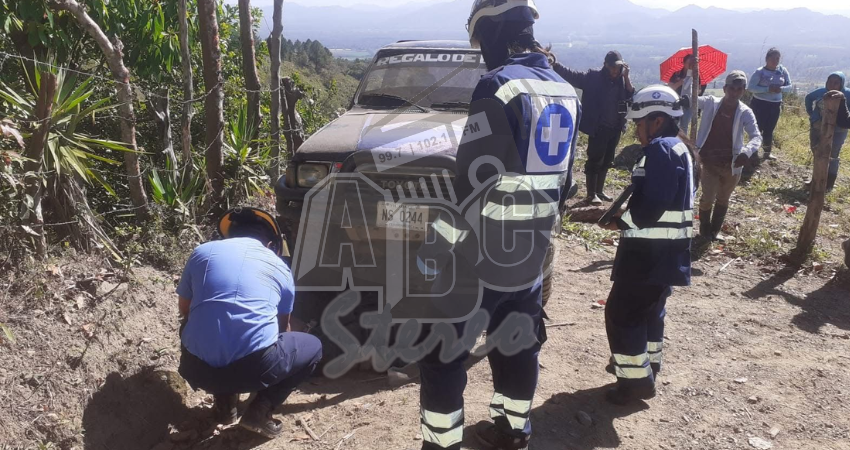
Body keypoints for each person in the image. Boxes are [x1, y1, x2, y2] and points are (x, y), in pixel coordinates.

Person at [414, 1, 580, 448]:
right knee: (517, 342)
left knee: (443, 350)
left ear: (492, 29)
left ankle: (441, 442)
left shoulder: (498, 85)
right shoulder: (566, 90)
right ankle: (513, 430)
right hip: (531, 245)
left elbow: (470, 185)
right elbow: (566, 182)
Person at [176, 207, 322, 439]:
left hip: (196, 369)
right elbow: (280, 330)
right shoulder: (279, 267)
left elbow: (185, 310)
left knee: (194, 323)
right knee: (313, 346)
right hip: (252, 371)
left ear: (229, 236)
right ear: (270, 244)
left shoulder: (201, 253)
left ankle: (224, 406)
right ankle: (260, 410)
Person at [598, 85, 694, 405]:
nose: (637, 130)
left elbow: (650, 207)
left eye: (639, 124)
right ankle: (647, 363)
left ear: (656, 121)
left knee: (623, 313)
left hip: (646, 256)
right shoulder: (678, 148)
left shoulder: (660, 150)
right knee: (650, 312)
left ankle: (636, 382)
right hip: (665, 256)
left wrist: (620, 222)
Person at [553, 50, 634, 206]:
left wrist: (626, 77)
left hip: (615, 127)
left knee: (607, 160)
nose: (615, 71)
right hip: (599, 127)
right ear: (606, 65)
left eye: (618, 68)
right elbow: (572, 75)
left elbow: (631, 95)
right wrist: (554, 65)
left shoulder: (622, 81)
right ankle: (591, 194)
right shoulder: (593, 78)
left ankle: (599, 191)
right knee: (595, 160)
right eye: (613, 68)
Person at [693, 71, 762, 242]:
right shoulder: (711, 103)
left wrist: (746, 152)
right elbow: (692, 100)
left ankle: (714, 232)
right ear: (725, 88)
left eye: (739, 89)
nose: (735, 92)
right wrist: (691, 75)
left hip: (732, 164)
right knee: (707, 198)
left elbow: (756, 136)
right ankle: (704, 230)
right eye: (732, 88)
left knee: (723, 199)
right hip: (709, 162)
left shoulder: (745, 112)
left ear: (743, 91)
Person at [805, 72, 850, 192]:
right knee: (817, 151)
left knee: (833, 155)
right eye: (830, 81)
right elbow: (808, 98)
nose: (833, 85)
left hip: (839, 130)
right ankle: (816, 179)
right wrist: (811, 113)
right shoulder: (821, 92)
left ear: (841, 83)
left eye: (836, 82)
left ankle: (829, 183)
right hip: (818, 127)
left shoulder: (847, 94)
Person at [748, 48, 792, 162]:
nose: (775, 61)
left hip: (775, 105)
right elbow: (751, 88)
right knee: (757, 128)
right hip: (759, 104)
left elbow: (790, 87)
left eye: (777, 58)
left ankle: (767, 153)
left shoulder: (783, 71)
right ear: (767, 59)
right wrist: (768, 89)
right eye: (773, 58)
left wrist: (780, 89)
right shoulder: (760, 72)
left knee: (769, 129)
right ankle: (754, 152)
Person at [667, 54, 706, 135]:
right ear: (684, 63)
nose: (691, 66)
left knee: (684, 126)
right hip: (676, 103)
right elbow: (670, 88)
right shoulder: (677, 74)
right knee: (674, 124)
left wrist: (693, 87)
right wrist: (681, 81)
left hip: (688, 105)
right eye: (689, 63)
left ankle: (683, 143)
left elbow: (699, 90)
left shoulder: (696, 76)